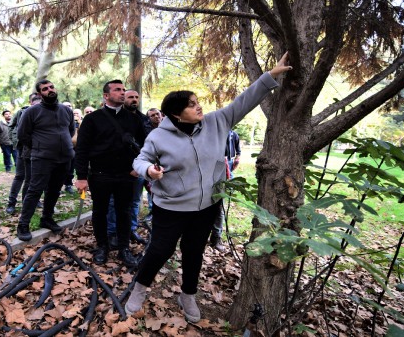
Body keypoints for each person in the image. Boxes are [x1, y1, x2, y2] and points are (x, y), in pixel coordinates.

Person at [124, 52, 292, 322]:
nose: (199, 107)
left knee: (194, 252)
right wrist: (150, 171)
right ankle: (140, 289)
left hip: (205, 207)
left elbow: (244, 101)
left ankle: (188, 294)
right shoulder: (158, 136)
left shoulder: (217, 122)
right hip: (171, 207)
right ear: (176, 114)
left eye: (197, 102)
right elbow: (140, 160)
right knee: (159, 250)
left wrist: (269, 76)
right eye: (191, 105)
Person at [74, 80, 147, 268]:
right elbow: (81, 149)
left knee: (124, 211)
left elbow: (145, 146)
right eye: (117, 90)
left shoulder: (134, 119)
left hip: (125, 175)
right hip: (100, 174)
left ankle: (124, 248)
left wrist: (137, 168)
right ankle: (102, 246)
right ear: (106, 95)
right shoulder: (92, 119)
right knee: (100, 212)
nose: (122, 93)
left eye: (124, 90)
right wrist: (81, 177)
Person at [15, 80, 75, 241]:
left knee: (55, 190)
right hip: (42, 158)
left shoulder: (66, 110)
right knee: (34, 190)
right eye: (45, 89)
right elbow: (23, 135)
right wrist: (40, 147)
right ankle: (23, 224)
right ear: (40, 93)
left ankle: (46, 218)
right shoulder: (32, 112)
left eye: (51, 87)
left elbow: (70, 130)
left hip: (64, 158)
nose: (50, 90)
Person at [106, 90, 151, 246]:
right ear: (123, 98)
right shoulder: (112, 117)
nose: (134, 100)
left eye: (136, 97)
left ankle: (130, 230)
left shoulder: (144, 119)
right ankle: (112, 232)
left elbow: (146, 145)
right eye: (130, 97)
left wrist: (141, 167)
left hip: (137, 168)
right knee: (113, 202)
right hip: (116, 169)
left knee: (134, 201)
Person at [5, 93, 42, 214]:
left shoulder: (45, 112)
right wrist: (16, 141)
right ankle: (12, 202)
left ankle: (32, 201)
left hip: (38, 149)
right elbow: (11, 127)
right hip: (22, 148)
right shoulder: (22, 112)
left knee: (34, 177)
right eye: (34, 100)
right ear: (30, 102)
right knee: (21, 176)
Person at [63, 108, 82, 194]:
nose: (75, 115)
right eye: (74, 113)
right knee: (65, 167)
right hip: (67, 148)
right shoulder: (67, 122)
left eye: (77, 113)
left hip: (78, 148)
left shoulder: (82, 123)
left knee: (73, 168)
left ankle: (68, 185)